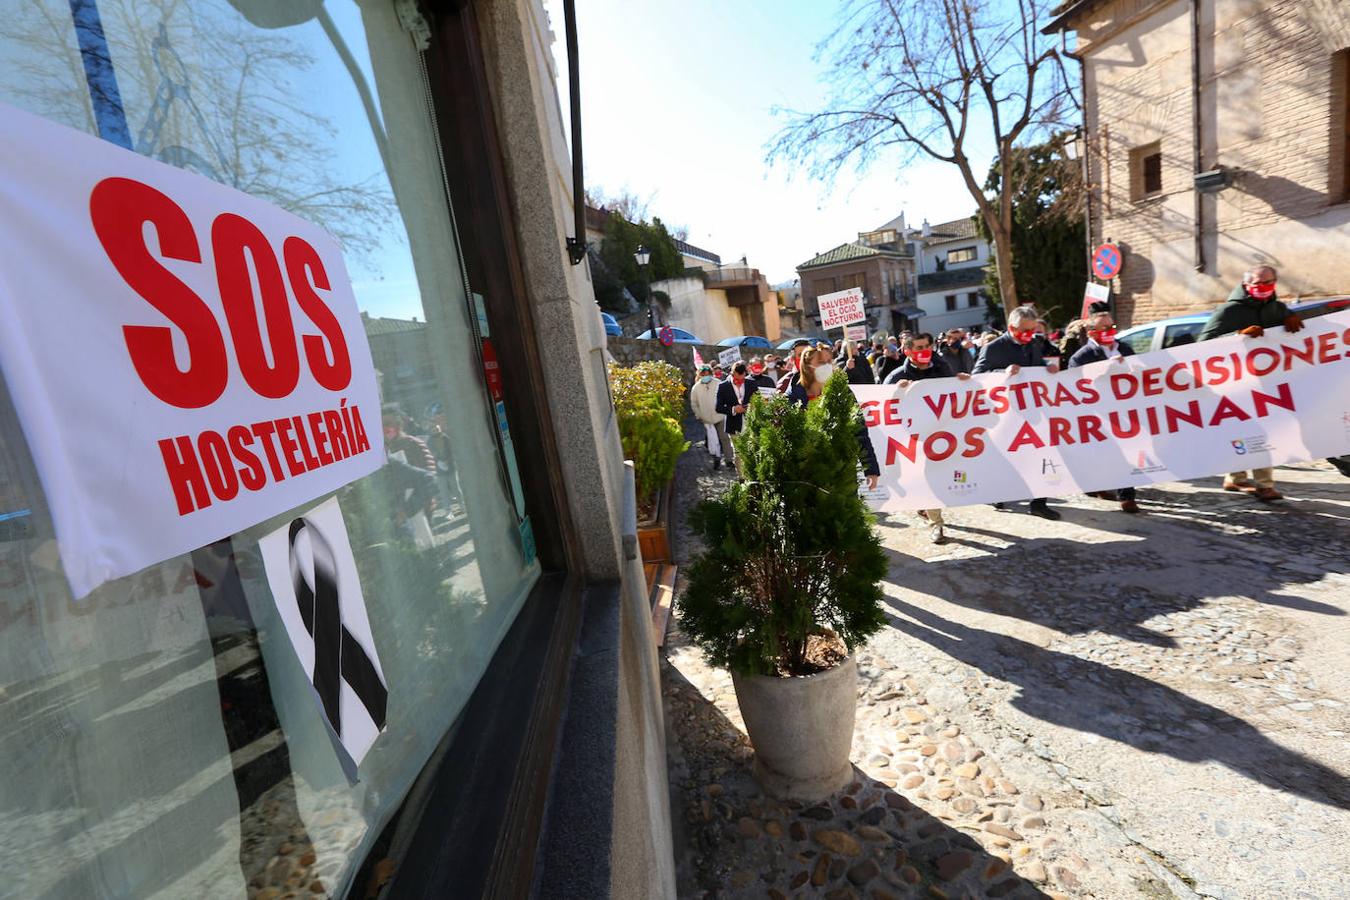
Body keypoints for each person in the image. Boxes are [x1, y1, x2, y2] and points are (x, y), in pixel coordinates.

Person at [1198, 265, 1303, 501]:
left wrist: (1294, 319)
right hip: (1236, 383)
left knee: (1265, 431)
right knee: (1242, 431)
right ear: (1247, 285)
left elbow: (1293, 334)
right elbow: (1203, 342)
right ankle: (1246, 481)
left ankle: (1255, 483)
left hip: (1268, 382)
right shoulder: (1228, 310)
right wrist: (1238, 336)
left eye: (1269, 283)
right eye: (1258, 284)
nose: (1264, 288)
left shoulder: (1277, 308)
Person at [973, 306, 1062, 520]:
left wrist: (1047, 367)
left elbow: (1036, 366)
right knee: (1006, 457)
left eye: (1032, 330)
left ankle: (1039, 503)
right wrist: (1001, 373)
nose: (1029, 335)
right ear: (1011, 327)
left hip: (1033, 412)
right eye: (1024, 330)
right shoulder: (994, 348)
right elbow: (977, 376)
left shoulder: (1034, 343)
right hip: (1005, 416)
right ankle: (999, 493)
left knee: (1041, 455)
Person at [884, 333, 973, 543]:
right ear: (907, 351)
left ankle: (926, 508)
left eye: (927, 345)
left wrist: (963, 383)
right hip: (916, 440)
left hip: (943, 436)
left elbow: (954, 395)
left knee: (946, 478)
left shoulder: (942, 369)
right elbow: (882, 407)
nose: (924, 350)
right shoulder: (896, 376)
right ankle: (937, 524)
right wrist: (895, 393)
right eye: (918, 347)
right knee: (928, 480)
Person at [1067, 308, 1140, 513]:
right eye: (1104, 327)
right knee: (1102, 453)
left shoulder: (1124, 348)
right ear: (1091, 333)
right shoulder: (1081, 356)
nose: (1110, 330)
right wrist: (1106, 368)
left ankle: (1127, 496)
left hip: (1124, 410)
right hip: (1097, 412)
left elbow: (1141, 370)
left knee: (1126, 451)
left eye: (1112, 326)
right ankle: (1096, 484)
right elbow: (1075, 383)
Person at [787, 346, 880, 491]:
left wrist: (870, 469)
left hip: (842, 471)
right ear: (807, 366)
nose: (827, 366)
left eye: (829, 361)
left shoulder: (842, 392)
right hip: (807, 476)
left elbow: (859, 431)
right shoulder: (791, 398)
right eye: (821, 362)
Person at [691, 363, 729, 470]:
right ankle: (716, 458)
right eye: (703, 374)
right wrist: (699, 415)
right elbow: (694, 404)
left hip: (720, 415)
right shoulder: (696, 388)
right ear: (700, 375)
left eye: (707, 374)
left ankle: (729, 460)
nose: (705, 376)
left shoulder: (718, 383)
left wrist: (725, 409)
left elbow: (725, 396)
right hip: (707, 418)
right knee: (713, 439)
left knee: (725, 438)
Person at [715, 362, 754, 454]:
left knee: (751, 453)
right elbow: (718, 407)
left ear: (745, 373)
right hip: (733, 425)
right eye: (737, 377)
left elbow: (758, 400)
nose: (740, 380)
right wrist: (733, 409)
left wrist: (751, 407)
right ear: (732, 373)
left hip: (750, 424)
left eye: (743, 376)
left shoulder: (751, 384)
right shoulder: (723, 386)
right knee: (738, 453)